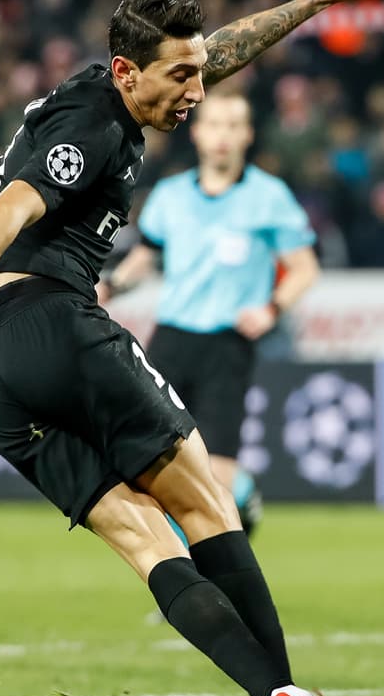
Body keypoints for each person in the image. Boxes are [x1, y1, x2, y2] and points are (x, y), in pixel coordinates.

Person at [0, 0, 384, 696]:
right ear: (127, 72)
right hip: (50, 320)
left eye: (195, 75)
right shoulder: (96, 126)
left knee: (147, 542)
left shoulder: (108, 86)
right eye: (179, 77)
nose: (196, 91)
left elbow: (217, 48)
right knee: (205, 505)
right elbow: (12, 208)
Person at [103, 92, 320, 538]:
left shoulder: (269, 196)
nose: (223, 136)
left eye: (233, 125)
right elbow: (147, 255)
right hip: (172, 338)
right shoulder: (170, 195)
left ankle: (237, 502)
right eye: (215, 125)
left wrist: (272, 308)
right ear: (198, 134)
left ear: (248, 135)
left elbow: (305, 268)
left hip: (227, 343)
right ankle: (190, 582)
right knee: (157, 467)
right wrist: (111, 286)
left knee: (216, 474)